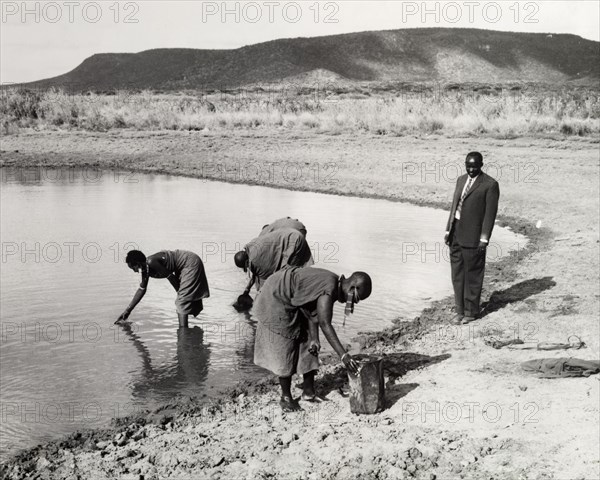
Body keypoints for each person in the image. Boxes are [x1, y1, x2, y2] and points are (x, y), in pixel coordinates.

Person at [253, 266, 372, 412]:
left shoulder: (334, 285)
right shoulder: (329, 289)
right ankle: (285, 397)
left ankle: (308, 392)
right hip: (276, 295)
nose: (353, 303)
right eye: (356, 299)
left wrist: (315, 338)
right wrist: (343, 355)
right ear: (352, 288)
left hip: (294, 299)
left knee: (310, 343)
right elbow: (324, 323)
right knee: (284, 345)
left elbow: (312, 310)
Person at [444, 152, 500, 325]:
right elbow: (454, 207)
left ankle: (471, 312)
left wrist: (484, 239)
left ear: (481, 165)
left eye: (474, 166)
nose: (471, 169)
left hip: (474, 237)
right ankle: (459, 310)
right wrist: (448, 230)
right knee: (457, 275)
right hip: (456, 233)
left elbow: (490, 215)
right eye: (468, 165)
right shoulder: (461, 180)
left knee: (473, 275)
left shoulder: (490, 185)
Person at [116, 250, 209, 328]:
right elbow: (141, 290)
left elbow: (171, 277)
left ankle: (183, 332)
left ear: (138, 264)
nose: (134, 271)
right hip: (184, 266)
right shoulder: (146, 269)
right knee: (184, 299)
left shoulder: (151, 262)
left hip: (189, 262)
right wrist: (127, 311)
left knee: (181, 301)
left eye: (133, 268)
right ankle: (189, 333)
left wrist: (181, 295)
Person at [234, 228, 313, 295]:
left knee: (288, 274)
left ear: (247, 262)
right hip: (290, 233)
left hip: (294, 241)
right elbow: (256, 273)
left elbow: (267, 279)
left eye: (246, 266)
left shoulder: (256, 259)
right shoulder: (250, 247)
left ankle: (301, 294)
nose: (248, 268)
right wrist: (247, 290)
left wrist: (261, 294)